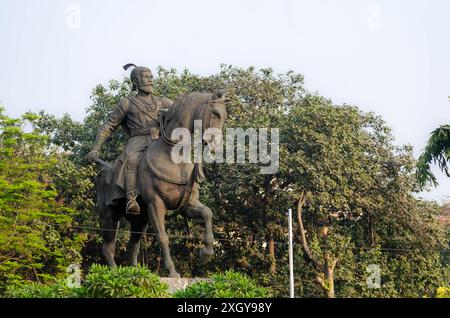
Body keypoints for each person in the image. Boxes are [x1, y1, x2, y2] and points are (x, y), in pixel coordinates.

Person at [86, 64, 173, 214]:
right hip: (137, 140)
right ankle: (130, 199)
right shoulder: (127, 102)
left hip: (158, 139)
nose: (150, 80)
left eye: (151, 77)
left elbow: (180, 113)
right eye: (146, 77)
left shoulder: (163, 102)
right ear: (136, 81)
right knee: (131, 159)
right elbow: (109, 126)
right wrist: (96, 148)